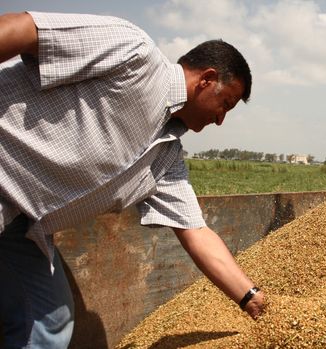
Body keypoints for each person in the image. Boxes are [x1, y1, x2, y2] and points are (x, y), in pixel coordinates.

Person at [0, 11, 265, 348]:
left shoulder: (165, 159)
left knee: (49, 323)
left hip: (25, 228)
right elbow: (26, 29)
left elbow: (196, 231)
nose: (220, 119)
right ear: (207, 79)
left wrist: (252, 299)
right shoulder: (133, 53)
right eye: (225, 103)